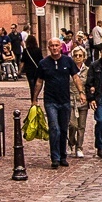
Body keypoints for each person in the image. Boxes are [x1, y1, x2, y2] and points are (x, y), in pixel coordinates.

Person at [32, 37, 79, 168]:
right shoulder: (43, 63)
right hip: (50, 100)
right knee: (54, 129)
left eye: (56, 45)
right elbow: (39, 82)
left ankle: (63, 156)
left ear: (60, 47)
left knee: (64, 129)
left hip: (65, 100)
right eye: (52, 45)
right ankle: (55, 157)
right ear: (49, 47)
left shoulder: (68, 61)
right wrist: (34, 99)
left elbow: (75, 77)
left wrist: (81, 92)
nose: (54, 48)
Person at [68, 46, 91, 158]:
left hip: (83, 101)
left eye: (80, 55)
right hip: (71, 100)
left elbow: (90, 84)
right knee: (72, 125)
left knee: (81, 126)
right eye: (75, 55)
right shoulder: (69, 70)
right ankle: (71, 141)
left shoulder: (87, 70)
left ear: (84, 57)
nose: (78, 57)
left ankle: (79, 147)